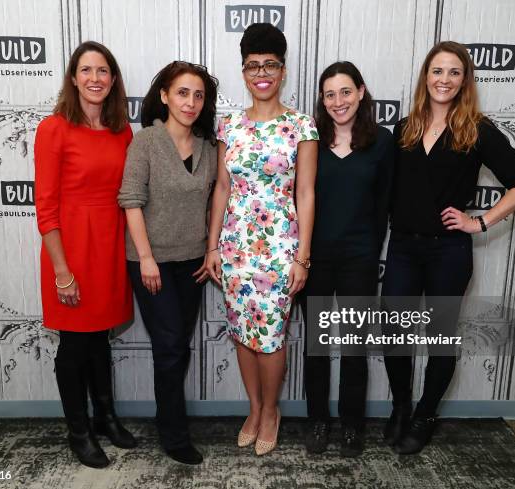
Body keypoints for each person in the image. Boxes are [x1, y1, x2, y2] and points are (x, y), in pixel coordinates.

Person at [382, 40, 515, 455]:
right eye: (438, 71)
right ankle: (400, 408)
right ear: (426, 76)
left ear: (465, 80)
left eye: (454, 72)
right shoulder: (405, 128)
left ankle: (424, 414)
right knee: (394, 334)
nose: (445, 79)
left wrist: (480, 221)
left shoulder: (477, 130)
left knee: (439, 337)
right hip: (402, 249)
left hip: (448, 253)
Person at [206, 23, 318, 456]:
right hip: (235, 249)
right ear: (244, 72)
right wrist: (213, 245)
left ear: (283, 70)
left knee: (270, 336)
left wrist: (302, 256)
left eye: (270, 64)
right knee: (241, 332)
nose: (261, 73)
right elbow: (221, 187)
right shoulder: (229, 126)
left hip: (279, 250)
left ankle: (271, 410)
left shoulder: (300, 126)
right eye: (253, 66)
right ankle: (253, 408)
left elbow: (305, 193)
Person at [34, 41, 137, 469]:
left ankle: (105, 418)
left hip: (109, 246)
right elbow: (46, 207)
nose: (95, 78)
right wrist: (62, 270)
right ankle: (78, 432)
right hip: (71, 251)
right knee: (74, 345)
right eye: (86, 70)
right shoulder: (53, 128)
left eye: (103, 71)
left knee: (99, 340)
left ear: (112, 80)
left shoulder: (122, 131)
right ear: (73, 78)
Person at [118, 61, 218, 465]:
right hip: (151, 263)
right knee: (171, 347)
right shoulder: (145, 142)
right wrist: (145, 258)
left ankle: (170, 421)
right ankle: (174, 436)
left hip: (192, 263)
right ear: (163, 95)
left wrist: (210, 250)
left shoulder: (209, 148)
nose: (190, 102)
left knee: (177, 347)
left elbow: (214, 203)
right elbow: (130, 201)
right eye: (182, 93)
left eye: (198, 95)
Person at [301, 61, 394, 457]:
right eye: (330, 94)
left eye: (345, 92)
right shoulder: (309, 140)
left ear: (360, 92)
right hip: (315, 259)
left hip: (359, 259)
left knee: (355, 347)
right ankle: (318, 420)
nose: (339, 101)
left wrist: (370, 252)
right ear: (322, 101)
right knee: (318, 346)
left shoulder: (383, 142)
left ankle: (352, 425)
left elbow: (384, 206)